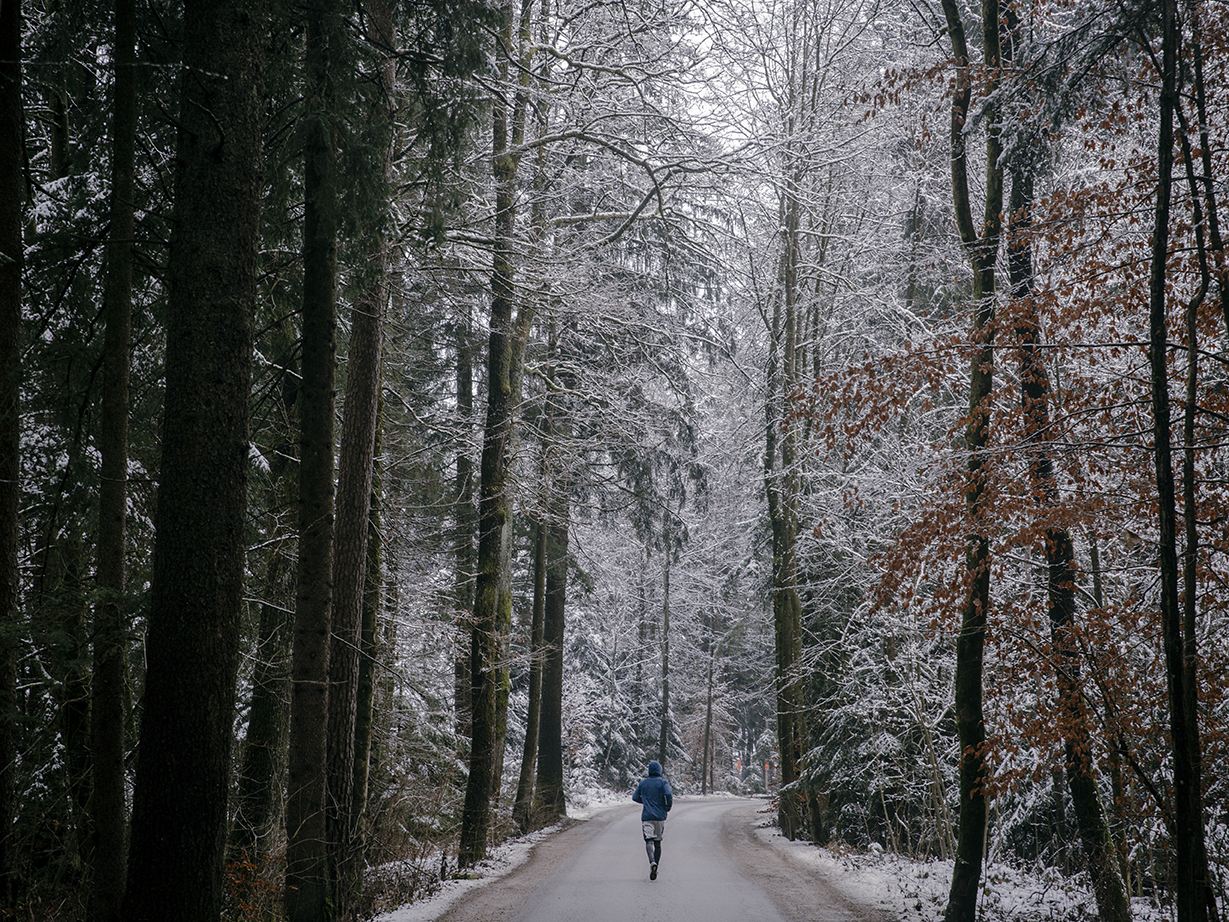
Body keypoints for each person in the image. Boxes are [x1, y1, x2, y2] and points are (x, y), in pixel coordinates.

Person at [632, 759, 672, 880]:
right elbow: (668, 793)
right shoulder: (663, 782)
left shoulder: (643, 783)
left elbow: (634, 797)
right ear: (659, 770)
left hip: (647, 816)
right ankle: (656, 867)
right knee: (658, 843)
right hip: (660, 817)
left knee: (649, 841)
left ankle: (651, 862)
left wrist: (644, 801)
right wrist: (667, 805)